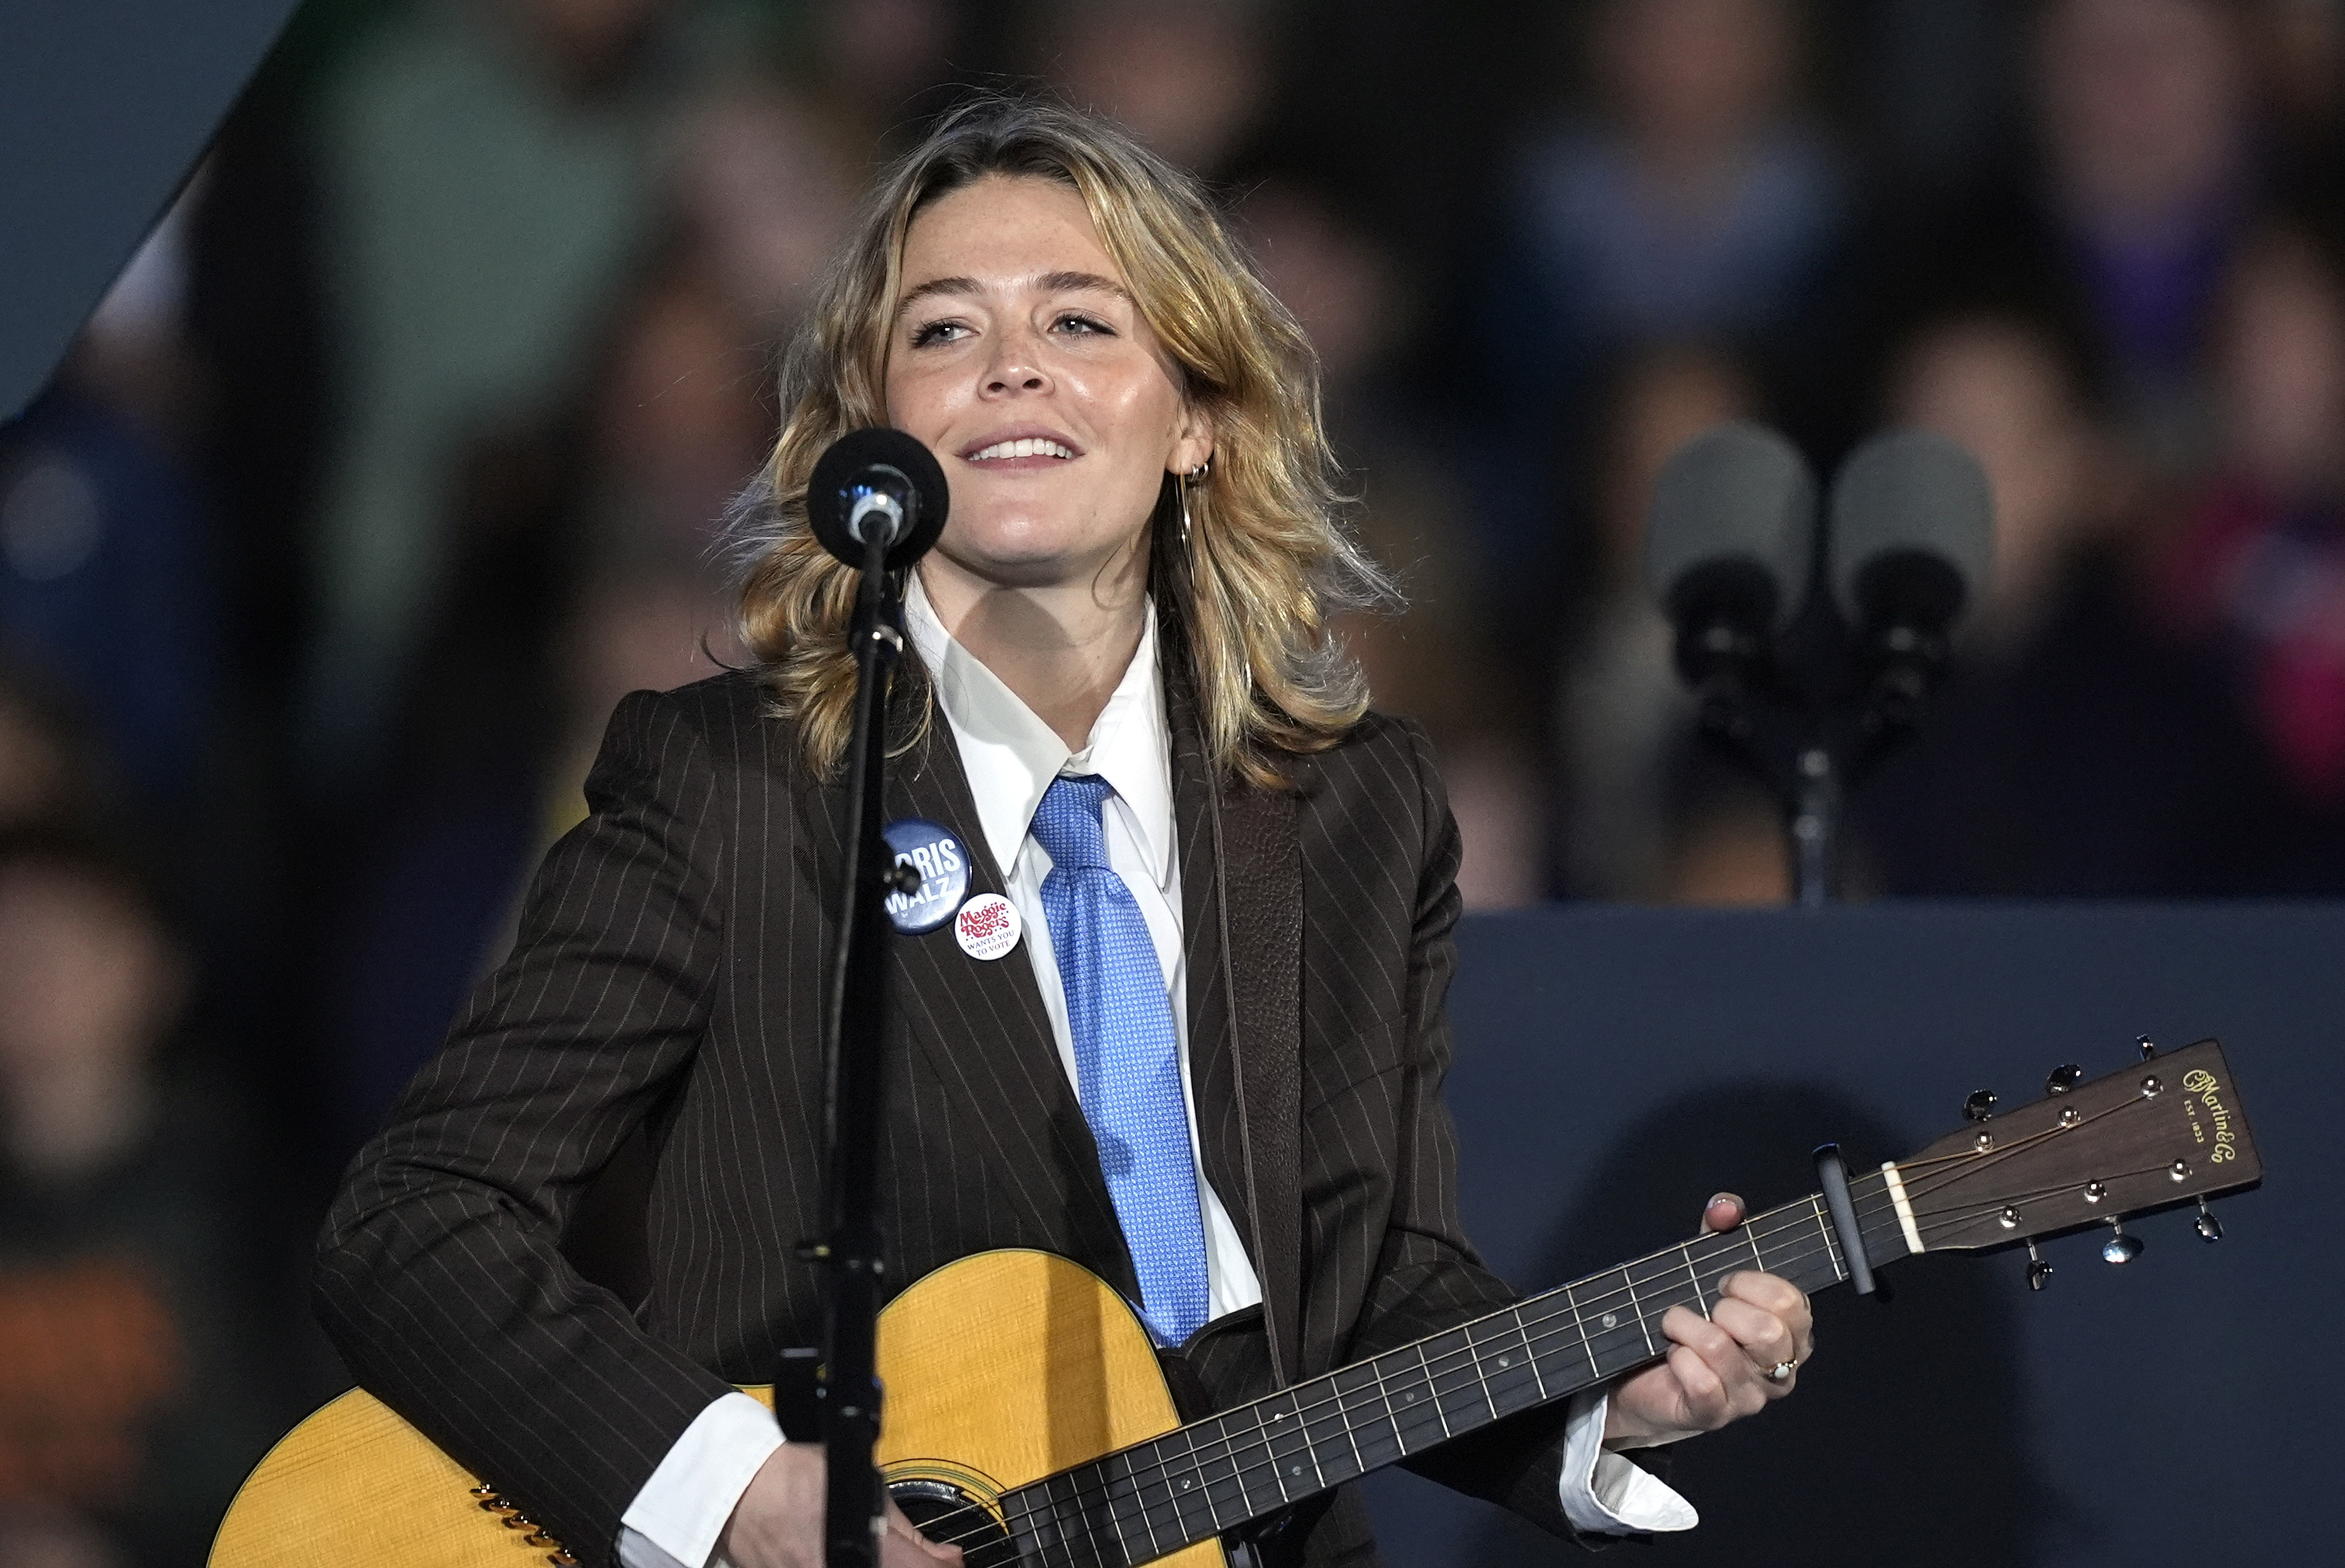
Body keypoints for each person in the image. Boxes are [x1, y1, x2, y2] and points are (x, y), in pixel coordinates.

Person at [313, 98, 1813, 1568]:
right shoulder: (733, 786)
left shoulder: (1355, 802)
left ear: (1201, 423)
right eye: (945, 329)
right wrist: (736, 1491)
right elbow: (416, 1216)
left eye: (1083, 324)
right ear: (870, 432)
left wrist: (1591, 1397)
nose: (1013, 366)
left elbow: (1368, 1281)